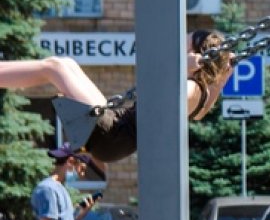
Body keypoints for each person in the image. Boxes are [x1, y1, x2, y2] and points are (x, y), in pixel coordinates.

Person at [0, 29, 233, 165]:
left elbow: (165, 98)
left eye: (185, 43)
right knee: (64, 64)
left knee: (55, 69)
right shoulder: (202, 92)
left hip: (112, 134)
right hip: (114, 129)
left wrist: (183, 69)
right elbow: (202, 112)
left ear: (194, 55)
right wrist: (224, 74)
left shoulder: (190, 87)